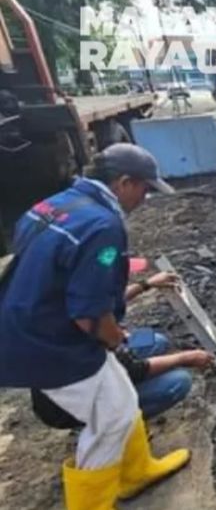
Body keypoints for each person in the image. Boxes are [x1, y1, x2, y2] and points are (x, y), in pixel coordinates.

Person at [0, 144, 190, 509]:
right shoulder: (105, 226)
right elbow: (89, 313)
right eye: (145, 189)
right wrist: (116, 340)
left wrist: (141, 288)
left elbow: (56, 275)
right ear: (124, 182)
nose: (145, 198)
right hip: (51, 344)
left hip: (33, 323)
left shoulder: (55, 204)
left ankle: (137, 472)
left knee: (122, 398)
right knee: (110, 423)